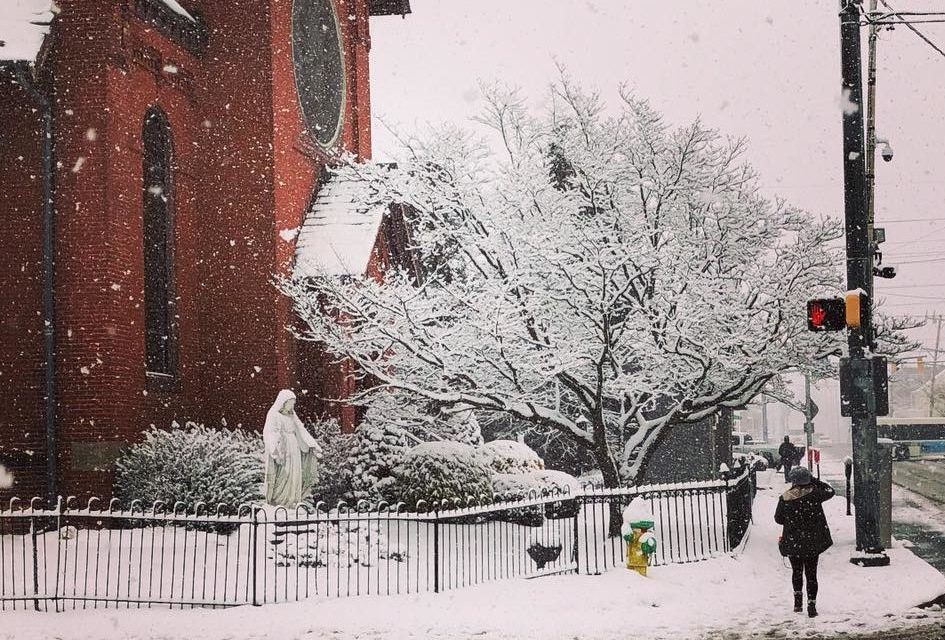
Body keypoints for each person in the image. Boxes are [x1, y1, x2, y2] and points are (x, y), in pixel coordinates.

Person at [774, 466, 835, 618]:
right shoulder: (815, 495)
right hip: (812, 541)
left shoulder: (785, 497)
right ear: (808, 480)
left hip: (793, 540)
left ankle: (797, 603)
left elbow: (778, 519)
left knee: (796, 571)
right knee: (811, 573)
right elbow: (830, 491)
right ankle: (812, 605)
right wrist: (814, 480)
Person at [263, 389, 322, 506]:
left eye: (293, 403)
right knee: (284, 474)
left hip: (294, 447)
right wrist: (275, 448)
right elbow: (270, 432)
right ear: (283, 402)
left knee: (295, 474)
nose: (293, 405)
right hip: (283, 448)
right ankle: (280, 501)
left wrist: (313, 445)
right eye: (291, 402)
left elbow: (301, 430)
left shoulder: (292, 416)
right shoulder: (274, 414)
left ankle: (292, 500)